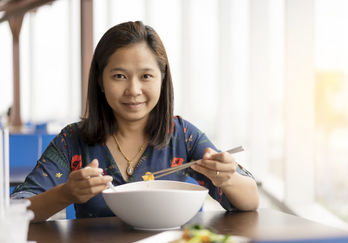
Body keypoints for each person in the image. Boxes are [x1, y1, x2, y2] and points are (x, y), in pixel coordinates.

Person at [11, 21, 259, 222]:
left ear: (162, 79)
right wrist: (66, 193)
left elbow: (250, 202)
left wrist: (226, 177)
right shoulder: (73, 140)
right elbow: (16, 209)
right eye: (119, 76)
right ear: (100, 80)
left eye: (146, 76)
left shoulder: (183, 136)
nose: (134, 89)